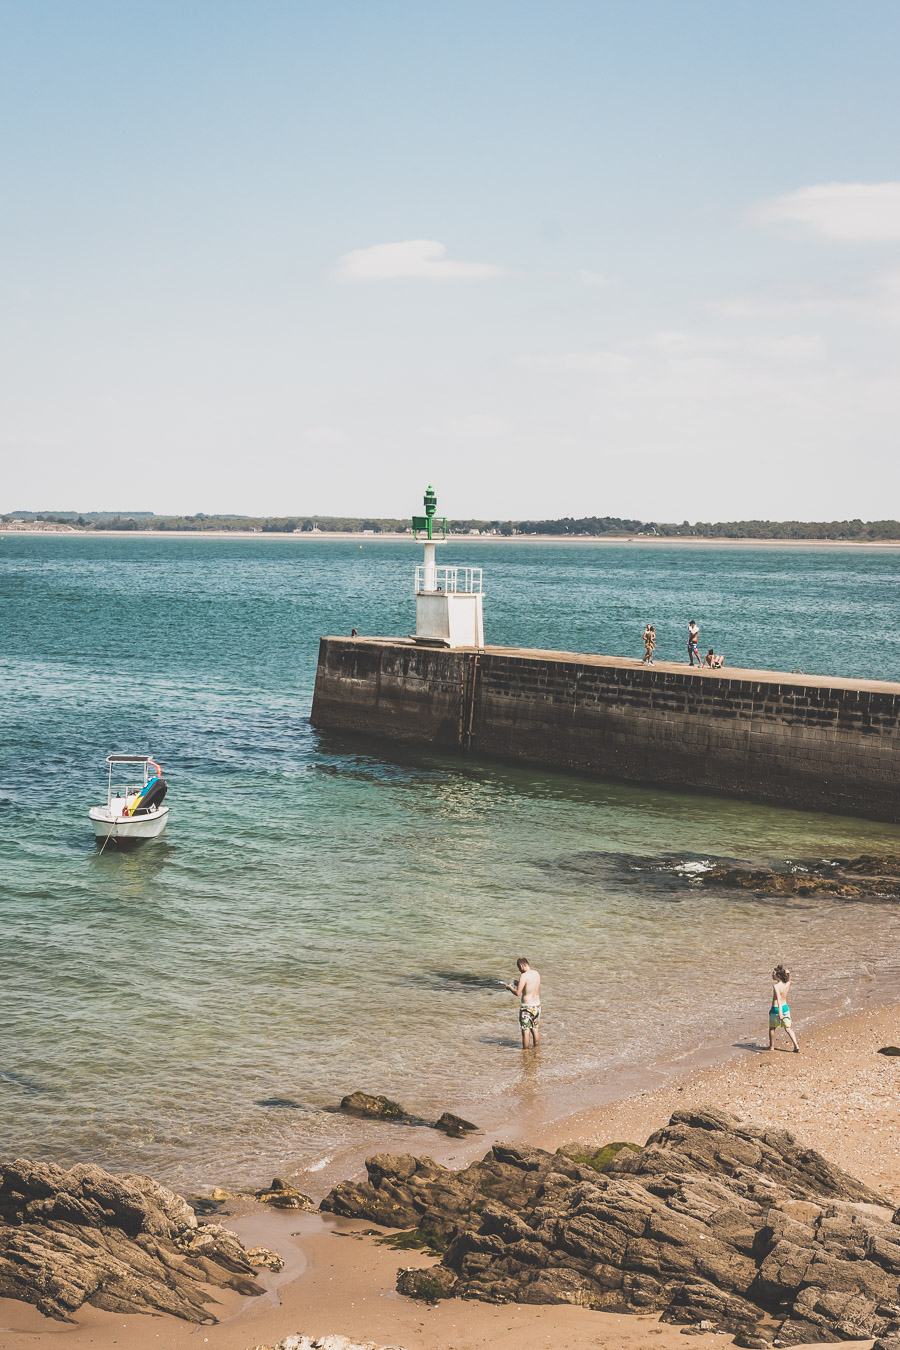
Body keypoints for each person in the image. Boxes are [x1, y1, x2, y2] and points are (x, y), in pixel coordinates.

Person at [505, 957, 541, 1049]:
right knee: (535, 1028)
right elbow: (530, 986)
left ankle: (526, 1052)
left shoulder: (524, 976)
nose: (519, 971)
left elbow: (518, 993)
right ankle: (536, 1049)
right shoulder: (536, 973)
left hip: (527, 1008)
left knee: (526, 1031)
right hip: (537, 1006)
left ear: (521, 965)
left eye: (519, 968)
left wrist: (510, 988)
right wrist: (519, 983)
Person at [767, 964, 800, 1052]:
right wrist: (788, 973)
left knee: (772, 1028)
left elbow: (778, 998)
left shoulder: (776, 986)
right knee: (788, 1028)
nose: (772, 975)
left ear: (778, 975)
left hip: (776, 1009)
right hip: (785, 1008)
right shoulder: (787, 983)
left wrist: (780, 1012)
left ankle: (771, 1047)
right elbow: (789, 978)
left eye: (773, 973)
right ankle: (796, 1045)